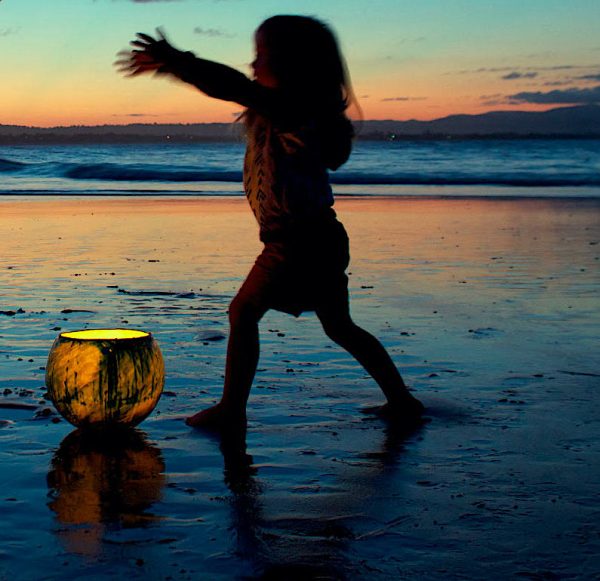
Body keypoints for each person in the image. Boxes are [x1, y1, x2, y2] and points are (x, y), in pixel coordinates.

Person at [116, 15, 424, 431]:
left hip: (297, 241)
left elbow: (234, 86)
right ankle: (401, 400)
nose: (252, 67)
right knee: (339, 326)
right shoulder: (285, 114)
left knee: (243, 313)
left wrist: (179, 61)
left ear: (294, 64)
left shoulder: (295, 113)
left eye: (261, 56)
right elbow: (243, 90)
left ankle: (231, 410)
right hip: (319, 237)